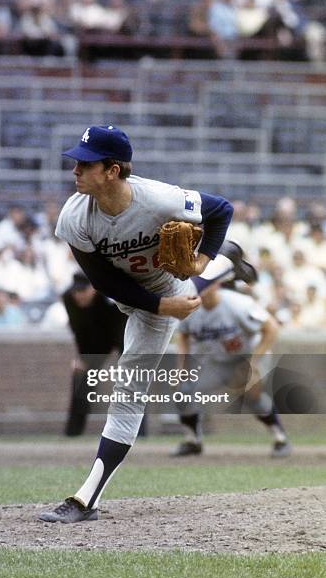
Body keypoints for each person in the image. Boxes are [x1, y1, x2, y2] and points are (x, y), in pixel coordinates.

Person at [38, 124, 255, 523]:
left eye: (85, 164)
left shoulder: (157, 198)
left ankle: (87, 499)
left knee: (128, 390)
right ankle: (229, 260)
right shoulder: (76, 216)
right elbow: (103, 281)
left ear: (113, 170)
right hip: (146, 296)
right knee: (190, 287)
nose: (75, 170)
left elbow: (221, 209)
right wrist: (161, 305)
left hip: (164, 287)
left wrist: (198, 262)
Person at [172, 281, 291, 459]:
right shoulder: (190, 305)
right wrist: (182, 367)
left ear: (216, 285)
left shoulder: (237, 303)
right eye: (198, 284)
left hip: (249, 355)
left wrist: (253, 363)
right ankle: (192, 441)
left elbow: (271, 329)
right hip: (219, 361)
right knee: (184, 391)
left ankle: (280, 438)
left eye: (206, 284)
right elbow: (182, 334)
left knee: (252, 395)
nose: (202, 289)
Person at [62, 272, 128, 436]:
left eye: (83, 291)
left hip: (122, 332)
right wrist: (82, 357)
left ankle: (137, 431)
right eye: (76, 291)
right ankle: (73, 432)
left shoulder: (111, 294)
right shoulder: (68, 298)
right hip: (95, 340)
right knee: (81, 376)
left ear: (93, 289)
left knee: (132, 377)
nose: (79, 296)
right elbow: (78, 329)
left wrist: (126, 355)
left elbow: (124, 321)